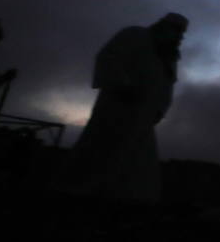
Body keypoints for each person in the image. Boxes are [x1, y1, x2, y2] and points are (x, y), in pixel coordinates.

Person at [61, 13, 188, 203]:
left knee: (134, 163)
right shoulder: (135, 35)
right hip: (116, 107)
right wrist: (122, 86)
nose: (178, 35)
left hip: (143, 117)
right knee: (99, 152)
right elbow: (109, 57)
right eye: (174, 29)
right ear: (163, 25)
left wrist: (159, 110)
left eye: (180, 32)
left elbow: (167, 85)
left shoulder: (169, 56)